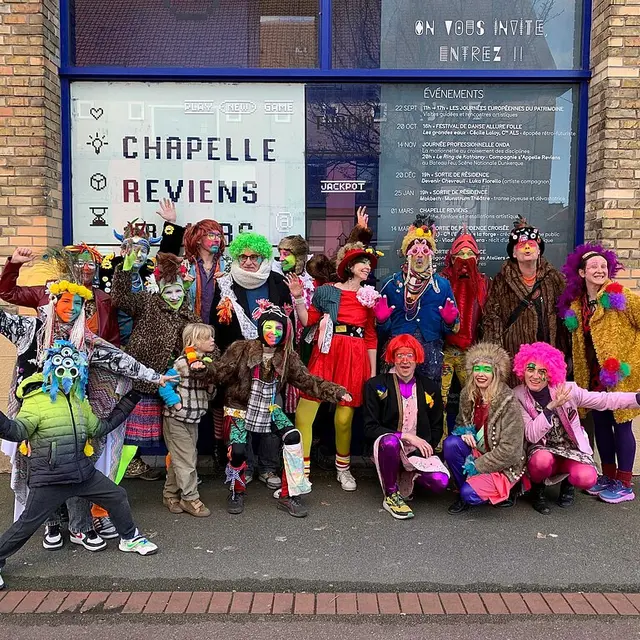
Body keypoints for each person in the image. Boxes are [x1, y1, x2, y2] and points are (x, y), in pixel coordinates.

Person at [0, 277, 172, 550]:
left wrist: (152, 379)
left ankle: (82, 527)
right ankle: (52, 524)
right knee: (38, 477)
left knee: (83, 467)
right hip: (36, 418)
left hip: (74, 417)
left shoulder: (87, 344)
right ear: (54, 302)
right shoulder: (31, 330)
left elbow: (121, 361)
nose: (71, 308)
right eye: (66, 301)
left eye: (78, 303)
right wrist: (13, 268)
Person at [0, 340, 157, 591]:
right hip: (50, 479)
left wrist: (130, 400)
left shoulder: (78, 399)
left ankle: (129, 538)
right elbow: (17, 431)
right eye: (60, 367)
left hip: (83, 474)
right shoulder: (36, 399)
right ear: (50, 368)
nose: (67, 374)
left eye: (73, 368)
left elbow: (99, 428)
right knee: (26, 525)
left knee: (117, 496)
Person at [204, 302, 350, 516]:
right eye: (269, 327)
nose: (274, 332)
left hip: (270, 407)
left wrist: (335, 391)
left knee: (293, 438)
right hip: (239, 408)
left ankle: (289, 494)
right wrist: (201, 368)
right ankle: (236, 491)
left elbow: (307, 381)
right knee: (238, 450)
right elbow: (219, 372)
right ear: (261, 328)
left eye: (279, 328)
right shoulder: (241, 349)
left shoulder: (287, 356)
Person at [295, 240, 385, 490]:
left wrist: (372, 374)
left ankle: (343, 469)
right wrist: (298, 297)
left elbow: (370, 336)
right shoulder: (327, 291)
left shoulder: (370, 296)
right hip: (327, 353)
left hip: (355, 357)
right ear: (349, 266)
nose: (367, 267)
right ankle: (300, 471)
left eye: (369, 263)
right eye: (362, 262)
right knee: (304, 412)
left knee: (344, 419)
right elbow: (308, 321)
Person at [513, 342, 640, 514]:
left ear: (550, 373)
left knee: (587, 477)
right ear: (523, 370)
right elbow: (531, 435)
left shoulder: (568, 390)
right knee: (540, 461)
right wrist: (550, 408)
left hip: (570, 449)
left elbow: (604, 400)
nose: (535, 376)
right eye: (530, 369)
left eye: (542, 371)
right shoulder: (518, 395)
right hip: (542, 449)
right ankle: (538, 489)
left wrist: (636, 399)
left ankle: (568, 483)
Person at [557, 243, 640, 503]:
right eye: (593, 266)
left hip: (620, 374)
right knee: (602, 425)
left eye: (604, 266)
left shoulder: (619, 295)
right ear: (582, 272)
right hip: (593, 375)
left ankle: (624, 484)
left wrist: (633, 358)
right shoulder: (577, 305)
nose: (600, 270)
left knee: (622, 424)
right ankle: (608, 476)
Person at [111, 250, 200, 482]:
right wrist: (126, 269)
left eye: (178, 291)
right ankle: (112, 484)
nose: (174, 296)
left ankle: (177, 485)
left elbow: (205, 345)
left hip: (176, 386)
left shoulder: (190, 317)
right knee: (132, 440)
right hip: (145, 383)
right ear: (160, 290)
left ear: (185, 290)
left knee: (176, 440)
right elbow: (120, 299)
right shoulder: (147, 303)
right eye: (168, 291)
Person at [211, 231, 290, 489]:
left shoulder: (278, 282)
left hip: (270, 363)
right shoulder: (225, 285)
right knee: (240, 418)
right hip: (239, 366)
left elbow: (288, 324)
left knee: (272, 413)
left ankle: (268, 467)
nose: (248, 262)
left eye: (254, 257)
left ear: (263, 257)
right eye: (243, 257)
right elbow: (216, 325)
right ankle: (245, 467)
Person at [363, 334, 449, 520]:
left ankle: (408, 478)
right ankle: (391, 495)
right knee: (390, 441)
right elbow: (370, 428)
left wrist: (424, 449)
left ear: (417, 358)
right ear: (392, 358)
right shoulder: (375, 385)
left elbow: (436, 427)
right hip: (388, 450)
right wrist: (407, 436)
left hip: (415, 454)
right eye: (399, 355)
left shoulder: (430, 387)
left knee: (440, 482)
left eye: (409, 355)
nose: (405, 361)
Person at [442, 342, 527, 514]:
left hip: (502, 464)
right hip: (477, 451)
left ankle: (508, 488)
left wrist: (477, 465)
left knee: (470, 495)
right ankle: (462, 489)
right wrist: (465, 432)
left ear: (496, 372)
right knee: (451, 444)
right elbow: (460, 423)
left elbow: (511, 451)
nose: (480, 374)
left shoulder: (508, 401)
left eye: (486, 369)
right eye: (477, 368)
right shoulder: (467, 394)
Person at [483, 216, 568, 384]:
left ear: (539, 250)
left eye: (531, 244)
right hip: (515, 356)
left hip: (548, 357)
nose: (527, 248)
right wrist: (497, 358)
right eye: (522, 245)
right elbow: (492, 319)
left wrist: (564, 353)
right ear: (514, 253)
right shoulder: (502, 280)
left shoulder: (554, 278)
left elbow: (566, 314)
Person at [378, 217, 459, 386]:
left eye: (425, 250)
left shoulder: (442, 285)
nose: (420, 255)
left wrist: (449, 322)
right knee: (395, 393)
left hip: (430, 351)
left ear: (431, 254)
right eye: (415, 250)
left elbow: (452, 329)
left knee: (429, 394)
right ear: (407, 254)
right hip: (398, 349)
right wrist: (382, 321)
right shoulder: (391, 284)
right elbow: (379, 330)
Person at [0, 244, 119, 346]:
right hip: (47, 360)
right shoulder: (48, 292)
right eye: (80, 263)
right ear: (69, 266)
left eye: (91, 264)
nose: (86, 268)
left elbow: (113, 340)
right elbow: (8, 293)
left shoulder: (104, 300)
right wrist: (14, 265)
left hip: (91, 363)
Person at [160, 323, 219, 517]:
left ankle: (170, 494)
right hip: (176, 419)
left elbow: (209, 395)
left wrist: (210, 387)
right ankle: (190, 498)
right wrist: (176, 404)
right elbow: (164, 385)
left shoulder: (206, 365)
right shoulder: (181, 364)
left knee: (181, 458)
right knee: (187, 460)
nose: (212, 340)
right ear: (194, 342)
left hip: (193, 419)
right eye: (207, 337)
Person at [439, 225, 490, 409]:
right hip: (444, 350)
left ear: (477, 258)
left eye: (470, 254)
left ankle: (470, 428)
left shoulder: (485, 283)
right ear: (452, 258)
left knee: (473, 398)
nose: (465, 258)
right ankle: (440, 428)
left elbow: (490, 318)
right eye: (460, 253)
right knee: (439, 398)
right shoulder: (441, 281)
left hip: (471, 351)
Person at [156, 199, 227, 322]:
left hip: (219, 328)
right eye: (211, 235)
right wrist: (171, 223)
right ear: (198, 239)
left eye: (219, 236)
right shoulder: (185, 265)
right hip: (190, 326)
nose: (217, 239)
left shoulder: (227, 265)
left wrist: (228, 282)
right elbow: (164, 258)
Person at [97, 219, 161, 345]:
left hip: (143, 341)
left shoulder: (150, 275)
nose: (138, 255)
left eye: (143, 251)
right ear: (123, 252)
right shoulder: (109, 273)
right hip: (116, 339)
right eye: (134, 250)